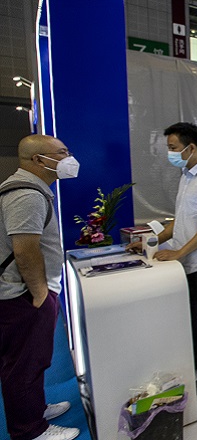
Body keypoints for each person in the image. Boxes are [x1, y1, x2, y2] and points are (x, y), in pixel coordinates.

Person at [130, 123, 197, 394]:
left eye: (173, 148)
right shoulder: (187, 176)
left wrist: (179, 252)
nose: (170, 153)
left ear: (191, 147)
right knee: (195, 314)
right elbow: (181, 219)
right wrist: (151, 241)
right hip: (186, 258)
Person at [0, 135, 80, 440]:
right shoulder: (26, 195)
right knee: (24, 363)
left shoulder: (31, 190)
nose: (68, 158)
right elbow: (25, 250)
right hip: (22, 295)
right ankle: (30, 430)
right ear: (38, 160)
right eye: (62, 152)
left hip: (23, 292)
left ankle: (34, 408)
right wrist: (40, 293)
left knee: (32, 359)